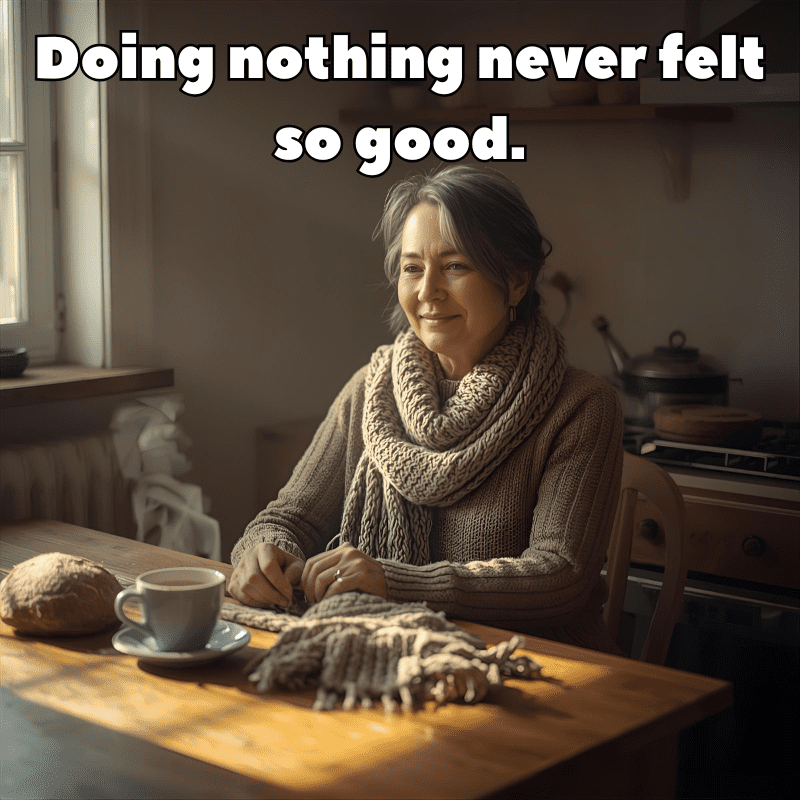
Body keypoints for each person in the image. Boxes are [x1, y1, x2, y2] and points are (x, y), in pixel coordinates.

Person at [229, 165, 624, 653]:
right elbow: (290, 517)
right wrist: (258, 552)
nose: (427, 291)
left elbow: (558, 574)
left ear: (517, 281)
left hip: (536, 668)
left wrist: (396, 583)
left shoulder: (581, 405)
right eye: (413, 268)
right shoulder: (371, 391)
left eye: (455, 266)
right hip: (387, 652)